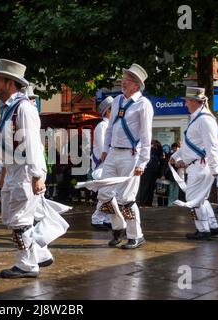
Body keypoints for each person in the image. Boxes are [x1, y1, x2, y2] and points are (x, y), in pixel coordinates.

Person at [0, 59, 57, 278]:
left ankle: (27, 265)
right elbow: (9, 145)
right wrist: (3, 170)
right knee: (12, 216)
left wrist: (38, 175)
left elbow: (32, 144)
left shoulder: (24, 108)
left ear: (9, 83)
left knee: (20, 220)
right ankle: (41, 253)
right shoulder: (10, 109)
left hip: (26, 172)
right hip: (15, 170)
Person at [97, 63, 153, 249]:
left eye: (128, 80)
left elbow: (146, 136)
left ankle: (136, 235)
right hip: (113, 153)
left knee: (126, 198)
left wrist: (143, 162)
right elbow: (110, 128)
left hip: (132, 154)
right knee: (104, 194)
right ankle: (118, 226)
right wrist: (105, 149)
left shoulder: (143, 105)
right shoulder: (117, 101)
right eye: (124, 79)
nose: (123, 83)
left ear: (137, 85)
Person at [170, 87, 218, 240]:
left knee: (193, 199)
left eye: (187, 101)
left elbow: (212, 145)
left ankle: (203, 230)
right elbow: (190, 144)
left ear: (194, 102)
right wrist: (176, 155)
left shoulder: (205, 119)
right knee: (200, 198)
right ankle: (212, 226)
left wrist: (214, 168)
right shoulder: (198, 118)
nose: (185, 104)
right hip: (197, 165)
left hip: (200, 166)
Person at [90, 96, 114, 230]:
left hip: (108, 164)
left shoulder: (108, 126)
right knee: (106, 192)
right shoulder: (103, 126)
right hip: (103, 164)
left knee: (109, 193)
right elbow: (102, 148)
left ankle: (106, 218)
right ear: (108, 111)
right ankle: (97, 219)